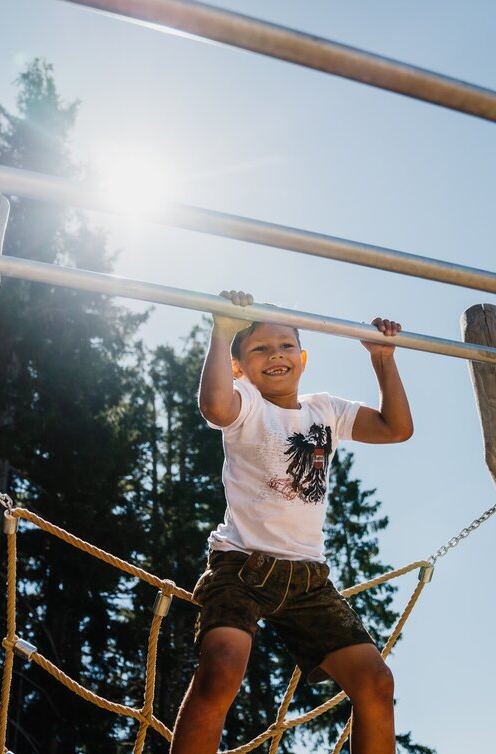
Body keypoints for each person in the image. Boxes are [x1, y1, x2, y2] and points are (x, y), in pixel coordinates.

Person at [171, 290, 414, 754]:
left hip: (307, 580)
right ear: (239, 366)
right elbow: (215, 408)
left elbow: (395, 428)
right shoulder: (244, 403)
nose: (275, 356)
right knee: (221, 670)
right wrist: (222, 333)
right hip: (242, 568)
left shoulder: (326, 410)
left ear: (302, 358)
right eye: (259, 349)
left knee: (376, 683)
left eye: (285, 346)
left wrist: (383, 359)